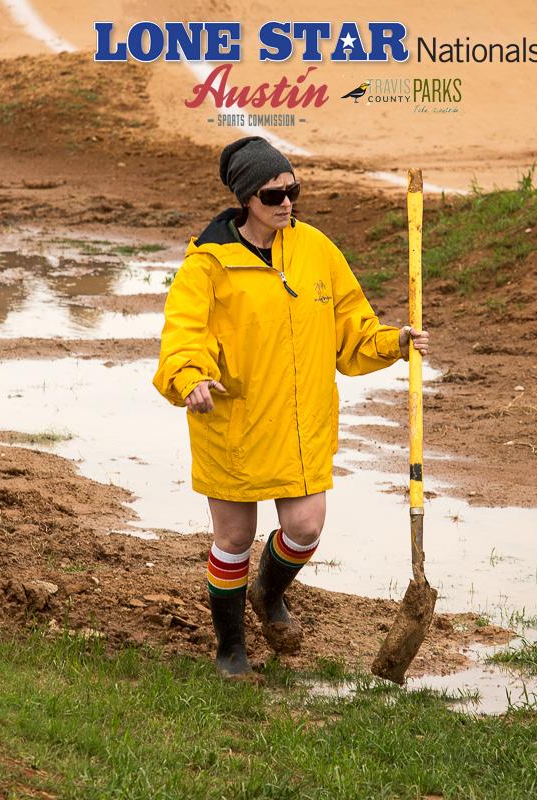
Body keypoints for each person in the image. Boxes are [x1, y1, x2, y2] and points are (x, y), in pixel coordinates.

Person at [153, 136, 429, 680]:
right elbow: (182, 337)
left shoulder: (316, 249)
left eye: (292, 191)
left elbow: (352, 329)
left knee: (305, 526)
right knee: (234, 539)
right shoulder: (206, 265)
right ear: (245, 199)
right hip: (233, 423)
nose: (286, 203)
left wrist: (393, 342)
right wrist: (190, 379)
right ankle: (230, 650)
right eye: (272, 195)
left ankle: (268, 591)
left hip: (302, 423)